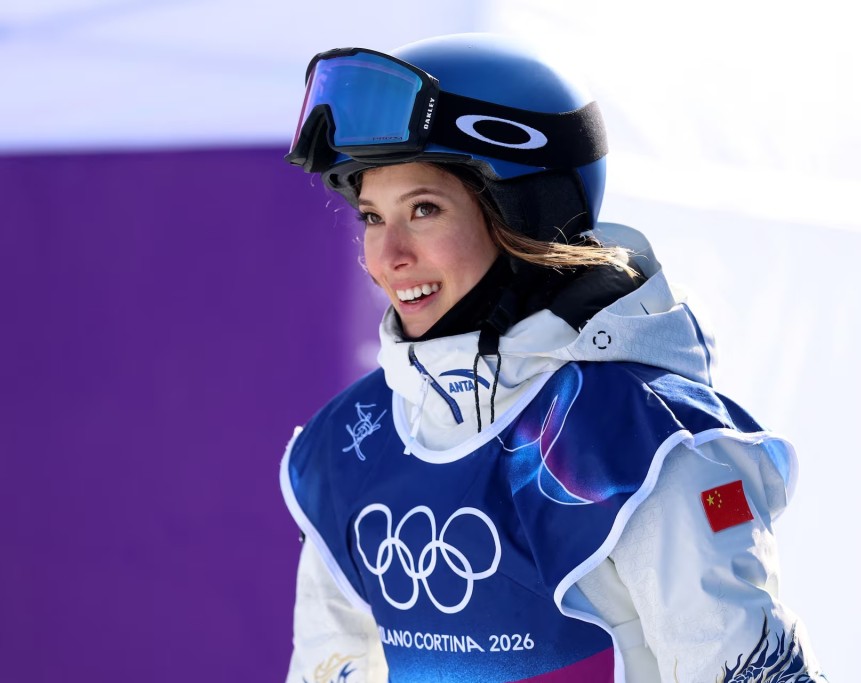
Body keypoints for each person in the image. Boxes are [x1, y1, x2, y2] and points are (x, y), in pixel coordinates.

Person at [279, 33, 827, 683]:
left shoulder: (639, 447)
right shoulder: (347, 449)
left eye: (423, 209)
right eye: (372, 216)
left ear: (527, 214)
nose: (388, 256)